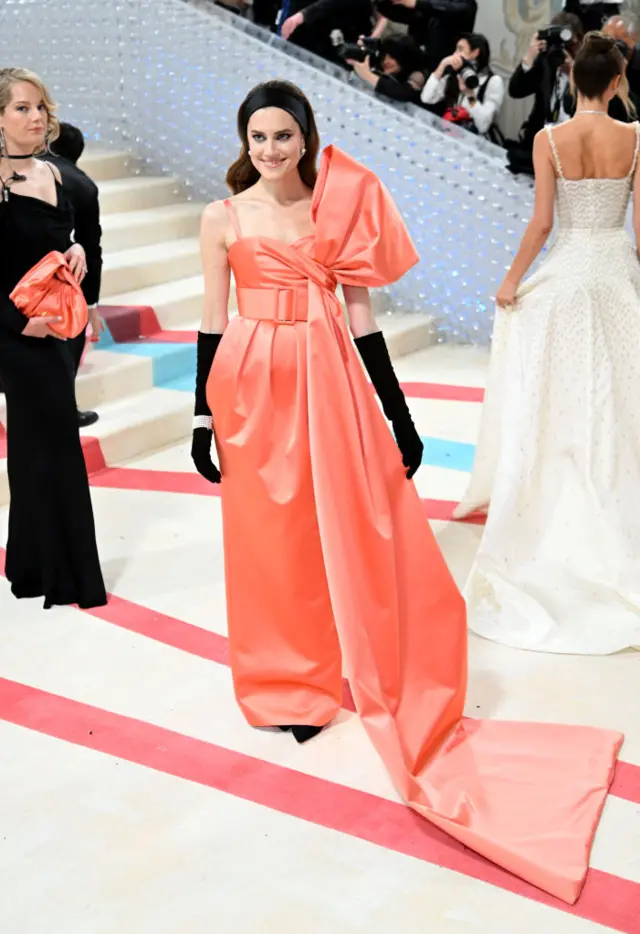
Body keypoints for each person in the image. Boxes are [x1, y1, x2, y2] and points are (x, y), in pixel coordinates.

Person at [192, 78, 623, 902]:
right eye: (258, 137)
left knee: (360, 532)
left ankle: (390, 677)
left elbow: (362, 318)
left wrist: (399, 416)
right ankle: (289, 685)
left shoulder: (338, 206)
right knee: (268, 542)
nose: (271, 150)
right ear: (244, 142)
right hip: (251, 386)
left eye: (284, 136)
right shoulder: (223, 217)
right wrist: (202, 419)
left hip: (328, 382)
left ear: (306, 137)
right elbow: (214, 316)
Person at [454, 33, 640, 655]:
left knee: (560, 393)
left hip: (565, 275)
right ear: (615, 81)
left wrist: (511, 282)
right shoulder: (637, 139)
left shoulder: (548, 140)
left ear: (570, 76)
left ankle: (558, 494)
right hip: (615, 274)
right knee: (617, 395)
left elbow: (541, 223)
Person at [0, 67, 106, 609]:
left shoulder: (59, 175)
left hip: (59, 329)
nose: (36, 116)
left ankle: (29, 565)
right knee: (58, 441)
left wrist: (78, 253)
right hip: (13, 333)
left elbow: (79, 239)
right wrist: (20, 325)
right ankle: (71, 577)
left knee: (30, 446)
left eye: (40, 106)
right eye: (21, 107)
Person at [43, 122, 103, 428]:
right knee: (70, 333)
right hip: (56, 275)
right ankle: (64, 405)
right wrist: (91, 304)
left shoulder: (21, 171)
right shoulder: (83, 184)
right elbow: (92, 248)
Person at [421, 33, 505, 139]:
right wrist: (442, 66)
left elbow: (483, 125)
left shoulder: (493, 81)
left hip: (473, 142)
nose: (454, 54)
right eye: (455, 50)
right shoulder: (454, 75)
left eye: (460, 49)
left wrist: (470, 95)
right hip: (447, 135)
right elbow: (426, 98)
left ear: (475, 53)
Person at [374, 0, 477, 74]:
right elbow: (409, 15)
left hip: (446, 69)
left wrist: (417, 3)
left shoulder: (468, 5)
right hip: (420, 64)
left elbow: (453, 9)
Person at [347, 34, 426, 103]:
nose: (386, 61)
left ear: (404, 59)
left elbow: (404, 93)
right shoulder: (382, 61)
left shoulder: (419, 74)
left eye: (392, 57)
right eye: (384, 56)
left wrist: (367, 75)